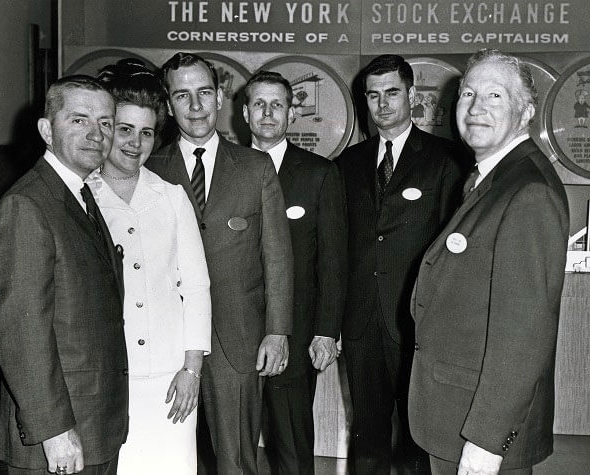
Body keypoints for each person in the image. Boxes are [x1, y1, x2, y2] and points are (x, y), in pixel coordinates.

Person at [408, 49, 569, 475]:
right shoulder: (491, 177)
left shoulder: (527, 191)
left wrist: (485, 442)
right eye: (467, 94)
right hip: (455, 413)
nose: (476, 108)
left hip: (478, 430)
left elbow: (524, 335)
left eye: (494, 96)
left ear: (526, 111)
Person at [145, 53, 293, 474]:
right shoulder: (150, 169)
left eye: (204, 93)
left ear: (220, 96)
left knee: (237, 462)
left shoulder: (255, 167)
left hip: (238, 339)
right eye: (182, 95)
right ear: (168, 104)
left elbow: (278, 256)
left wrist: (277, 331)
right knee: (168, 457)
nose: (195, 106)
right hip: (168, 342)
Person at [0, 75, 127, 474]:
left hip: (95, 424)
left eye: (105, 122)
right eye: (79, 120)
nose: (96, 133)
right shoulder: (26, 206)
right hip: (59, 436)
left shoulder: (78, 196)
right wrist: (54, 430)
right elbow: (20, 330)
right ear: (47, 130)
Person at [335, 54, 466, 473]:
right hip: (360, 325)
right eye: (373, 96)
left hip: (416, 324)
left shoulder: (448, 160)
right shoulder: (347, 165)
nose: (383, 104)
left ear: (412, 95)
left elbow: (453, 253)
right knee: (367, 434)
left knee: (416, 439)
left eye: (392, 92)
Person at [88, 59, 212, 474]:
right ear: (106, 130)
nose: (134, 143)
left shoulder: (172, 196)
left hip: (169, 378)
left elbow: (196, 286)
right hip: (107, 376)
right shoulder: (82, 198)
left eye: (146, 133)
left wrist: (192, 370)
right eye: (124, 129)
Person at [242, 70, 348, 474]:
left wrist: (325, 331)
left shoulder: (319, 173)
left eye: (278, 105)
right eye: (259, 104)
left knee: (290, 442)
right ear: (245, 112)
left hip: (298, 332)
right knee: (232, 443)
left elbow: (333, 261)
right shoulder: (227, 167)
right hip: (235, 332)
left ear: (291, 114)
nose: (268, 113)